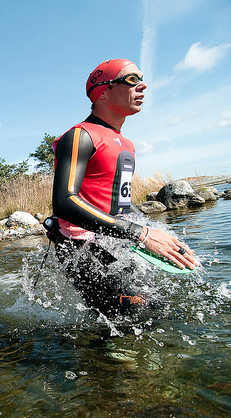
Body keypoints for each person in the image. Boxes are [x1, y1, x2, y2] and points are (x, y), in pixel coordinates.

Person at [49, 58, 200, 317]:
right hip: (80, 244)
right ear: (103, 91)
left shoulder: (126, 144)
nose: (143, 86)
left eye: (141, 79)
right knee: (130, 318)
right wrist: (142, 235)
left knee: (156, 306)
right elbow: (64, 201)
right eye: (132, 80)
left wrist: (159, 235)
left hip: (116, 239)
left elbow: (121, 201)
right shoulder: (80, 135)